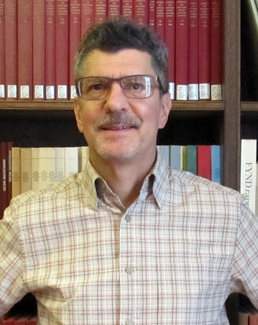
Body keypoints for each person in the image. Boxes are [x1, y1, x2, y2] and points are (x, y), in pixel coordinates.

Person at [1, 17, 258, 325]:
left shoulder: (228, 215)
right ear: (78, 113)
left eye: (136, 85)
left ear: (163, 109)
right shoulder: (28, 219)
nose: (115, 103)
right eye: (97, 86)